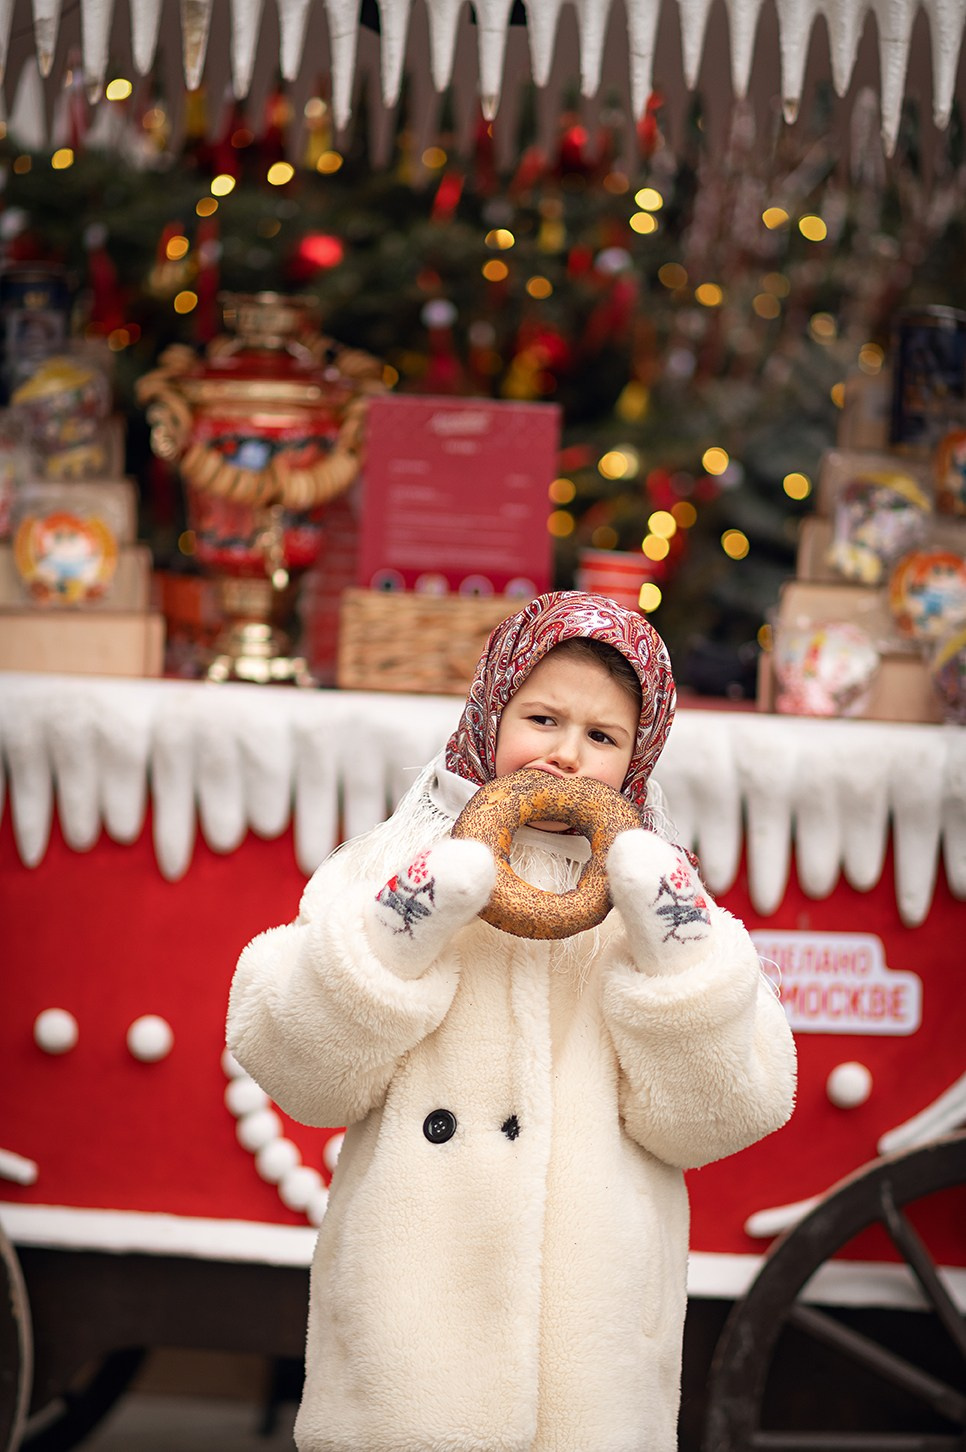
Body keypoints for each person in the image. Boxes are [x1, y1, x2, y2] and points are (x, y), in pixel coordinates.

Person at [227, 590, 797, 1452]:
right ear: (492, 708)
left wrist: (679, 951)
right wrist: (398, 929)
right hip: (411, 1325)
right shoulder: (391, 865)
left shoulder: (657, 899)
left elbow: (715, 1117)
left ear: (640, 756)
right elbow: (297, 1068)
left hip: (588, 1350)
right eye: (542, 718)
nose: (566, 756)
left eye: (603, 738)